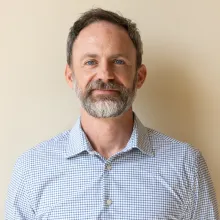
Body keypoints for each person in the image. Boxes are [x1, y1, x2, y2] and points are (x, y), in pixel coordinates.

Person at [6, 8, 219, 220]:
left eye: (118, 61)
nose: (105, 74)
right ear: (70, 76)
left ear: (139, 76)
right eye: (90, 62)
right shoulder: (31, 168)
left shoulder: (186, 164)